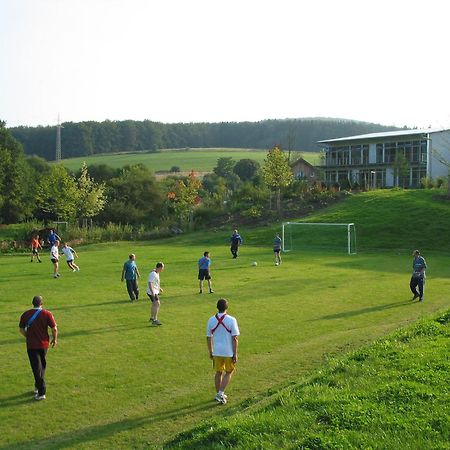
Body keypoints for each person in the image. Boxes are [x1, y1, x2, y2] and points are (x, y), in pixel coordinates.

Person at [19, 295, 58, 401]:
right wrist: (55, 339)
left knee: (37, 367)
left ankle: (41, 392)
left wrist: (29, 336)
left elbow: (21, 329)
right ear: (42, 304)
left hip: (31, 345)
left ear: (32, 303)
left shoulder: (25, 314)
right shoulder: (47, 314)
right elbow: (54, 328)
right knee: (41, 365)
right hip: (44, 344)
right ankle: (38, 386)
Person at [206, 298, 240, 404]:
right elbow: (234, 338)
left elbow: (208, 337)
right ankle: (220, 393)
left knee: (218, 372)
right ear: (227, 307)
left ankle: (218, 394)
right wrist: (235, 353)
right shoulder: (231, 320)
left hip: (217, 351)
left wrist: (210, 351)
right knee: (229, 371)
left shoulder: (211, 320)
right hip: (228, 352)